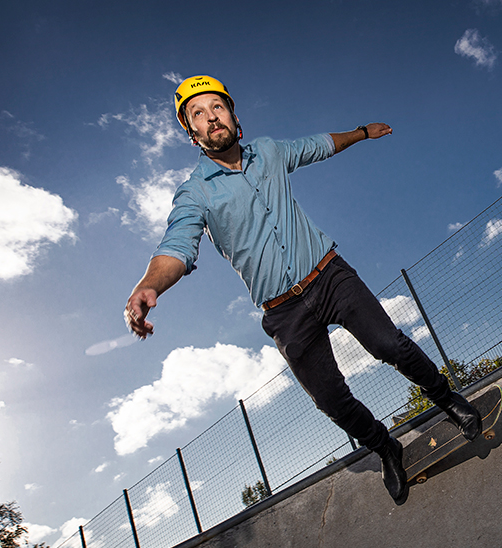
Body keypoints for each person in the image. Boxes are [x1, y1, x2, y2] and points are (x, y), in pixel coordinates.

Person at [123, 75, 480, 504]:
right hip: (283, 311)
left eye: (216, 107)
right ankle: (386, 447)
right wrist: (149, 284)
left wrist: (362, 133)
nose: (210, 118)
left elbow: (320, 145)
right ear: (191, 133)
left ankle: (447, 400)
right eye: (197, 114)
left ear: (235, 116)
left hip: (329, 274)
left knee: (390, 345)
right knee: (329, 397)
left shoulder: (270, 152)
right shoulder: (195, 193)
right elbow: (176, 247)